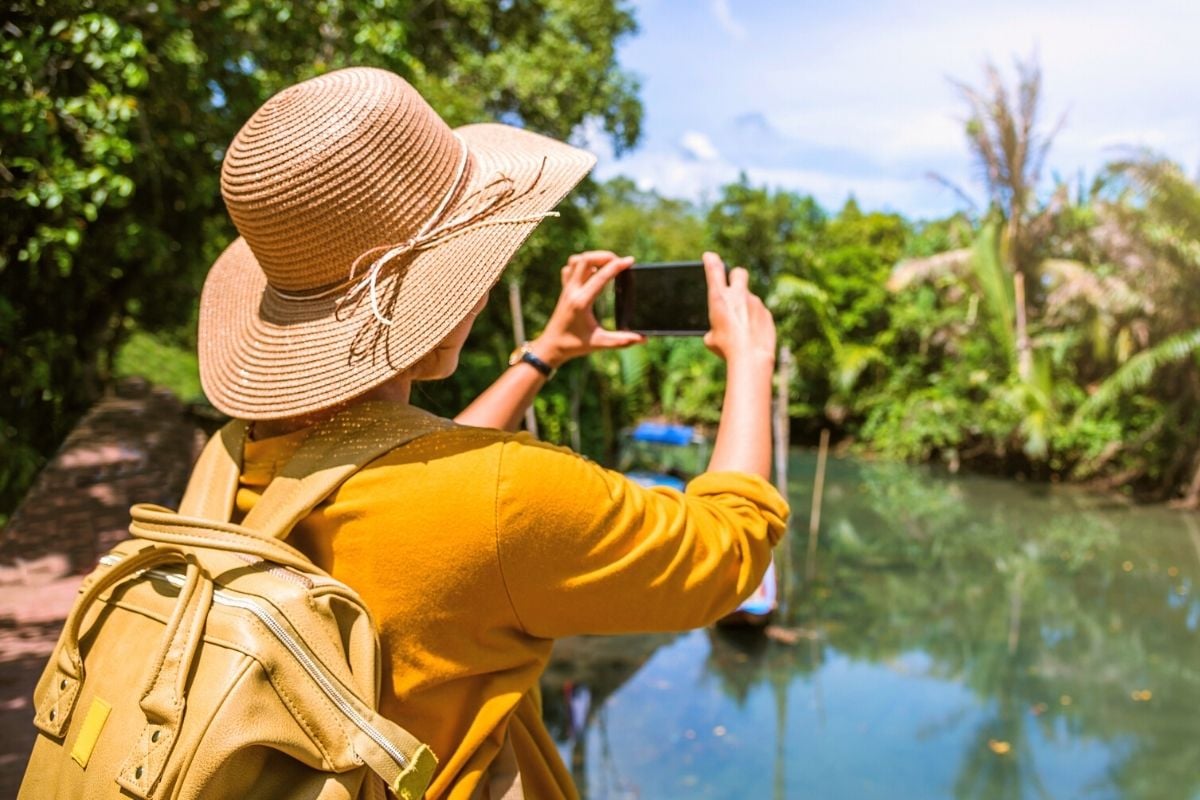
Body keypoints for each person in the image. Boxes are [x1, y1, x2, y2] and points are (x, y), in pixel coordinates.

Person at [197, 66, 788, 799]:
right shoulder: (506, 494)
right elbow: (728, 552)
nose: (481, 286)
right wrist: (752, 363)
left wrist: (544, 355)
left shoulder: (231, 457)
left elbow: (413, 469)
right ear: (442, 309)